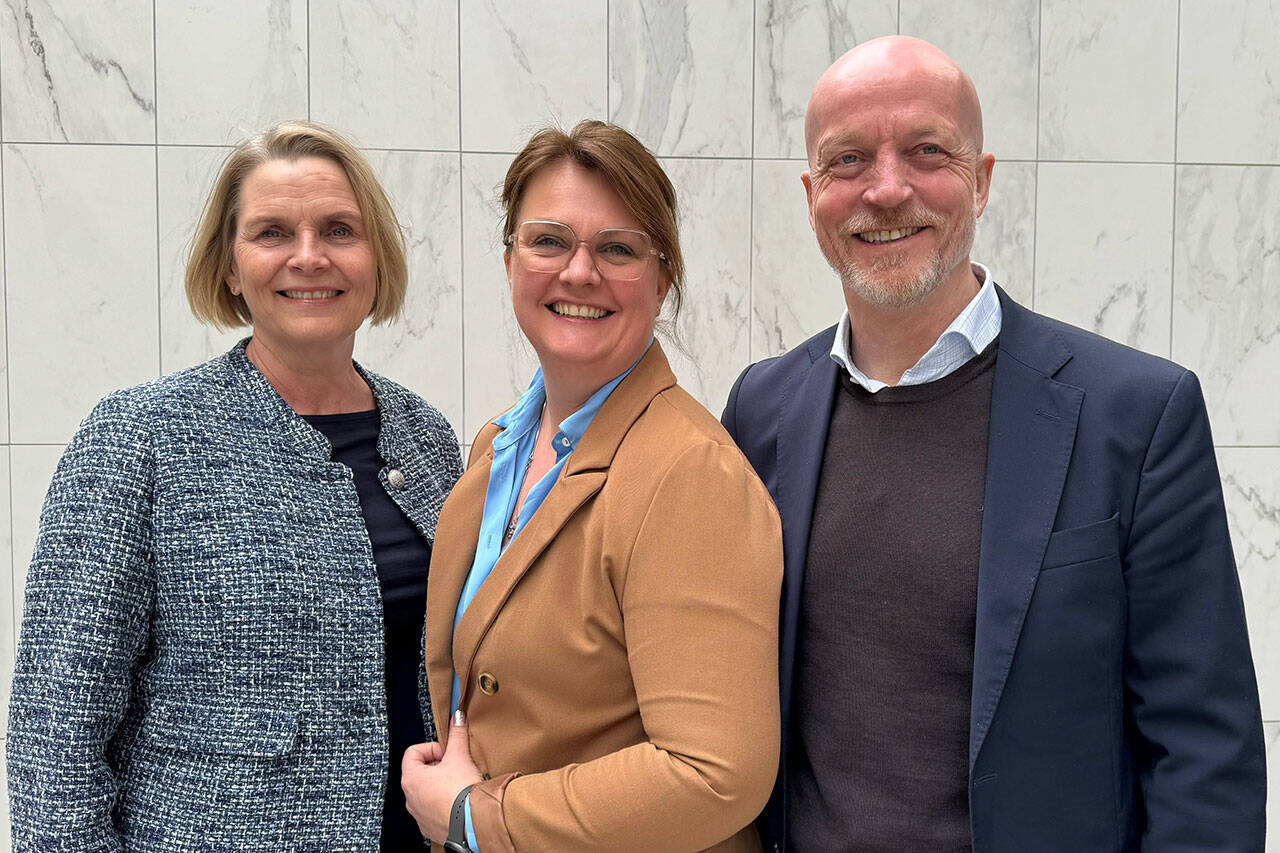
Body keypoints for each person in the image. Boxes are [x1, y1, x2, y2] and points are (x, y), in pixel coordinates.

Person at [722, 36, 1267, 852]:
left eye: (927, 151)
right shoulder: (760, 408)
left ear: (981, 181)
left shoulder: (1138, 415)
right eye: (848, 160)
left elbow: (1203, 754)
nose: (887, 188)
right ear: (811, 196)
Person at [6, 120, 461, 850]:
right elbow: (53, 737)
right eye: (273, 232)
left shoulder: (427, 436)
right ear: (229, 266)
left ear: (375, 257)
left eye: (339, 230)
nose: (308, 256)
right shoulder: (140, 436)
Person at [400, 120, 782, 852]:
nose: (579, 272)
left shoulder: (690, 474)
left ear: (663, 276)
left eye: (617, 248)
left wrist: (476, 818)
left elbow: (715, 773)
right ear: (510, 259)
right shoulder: (497, 446)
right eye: (548, 241)